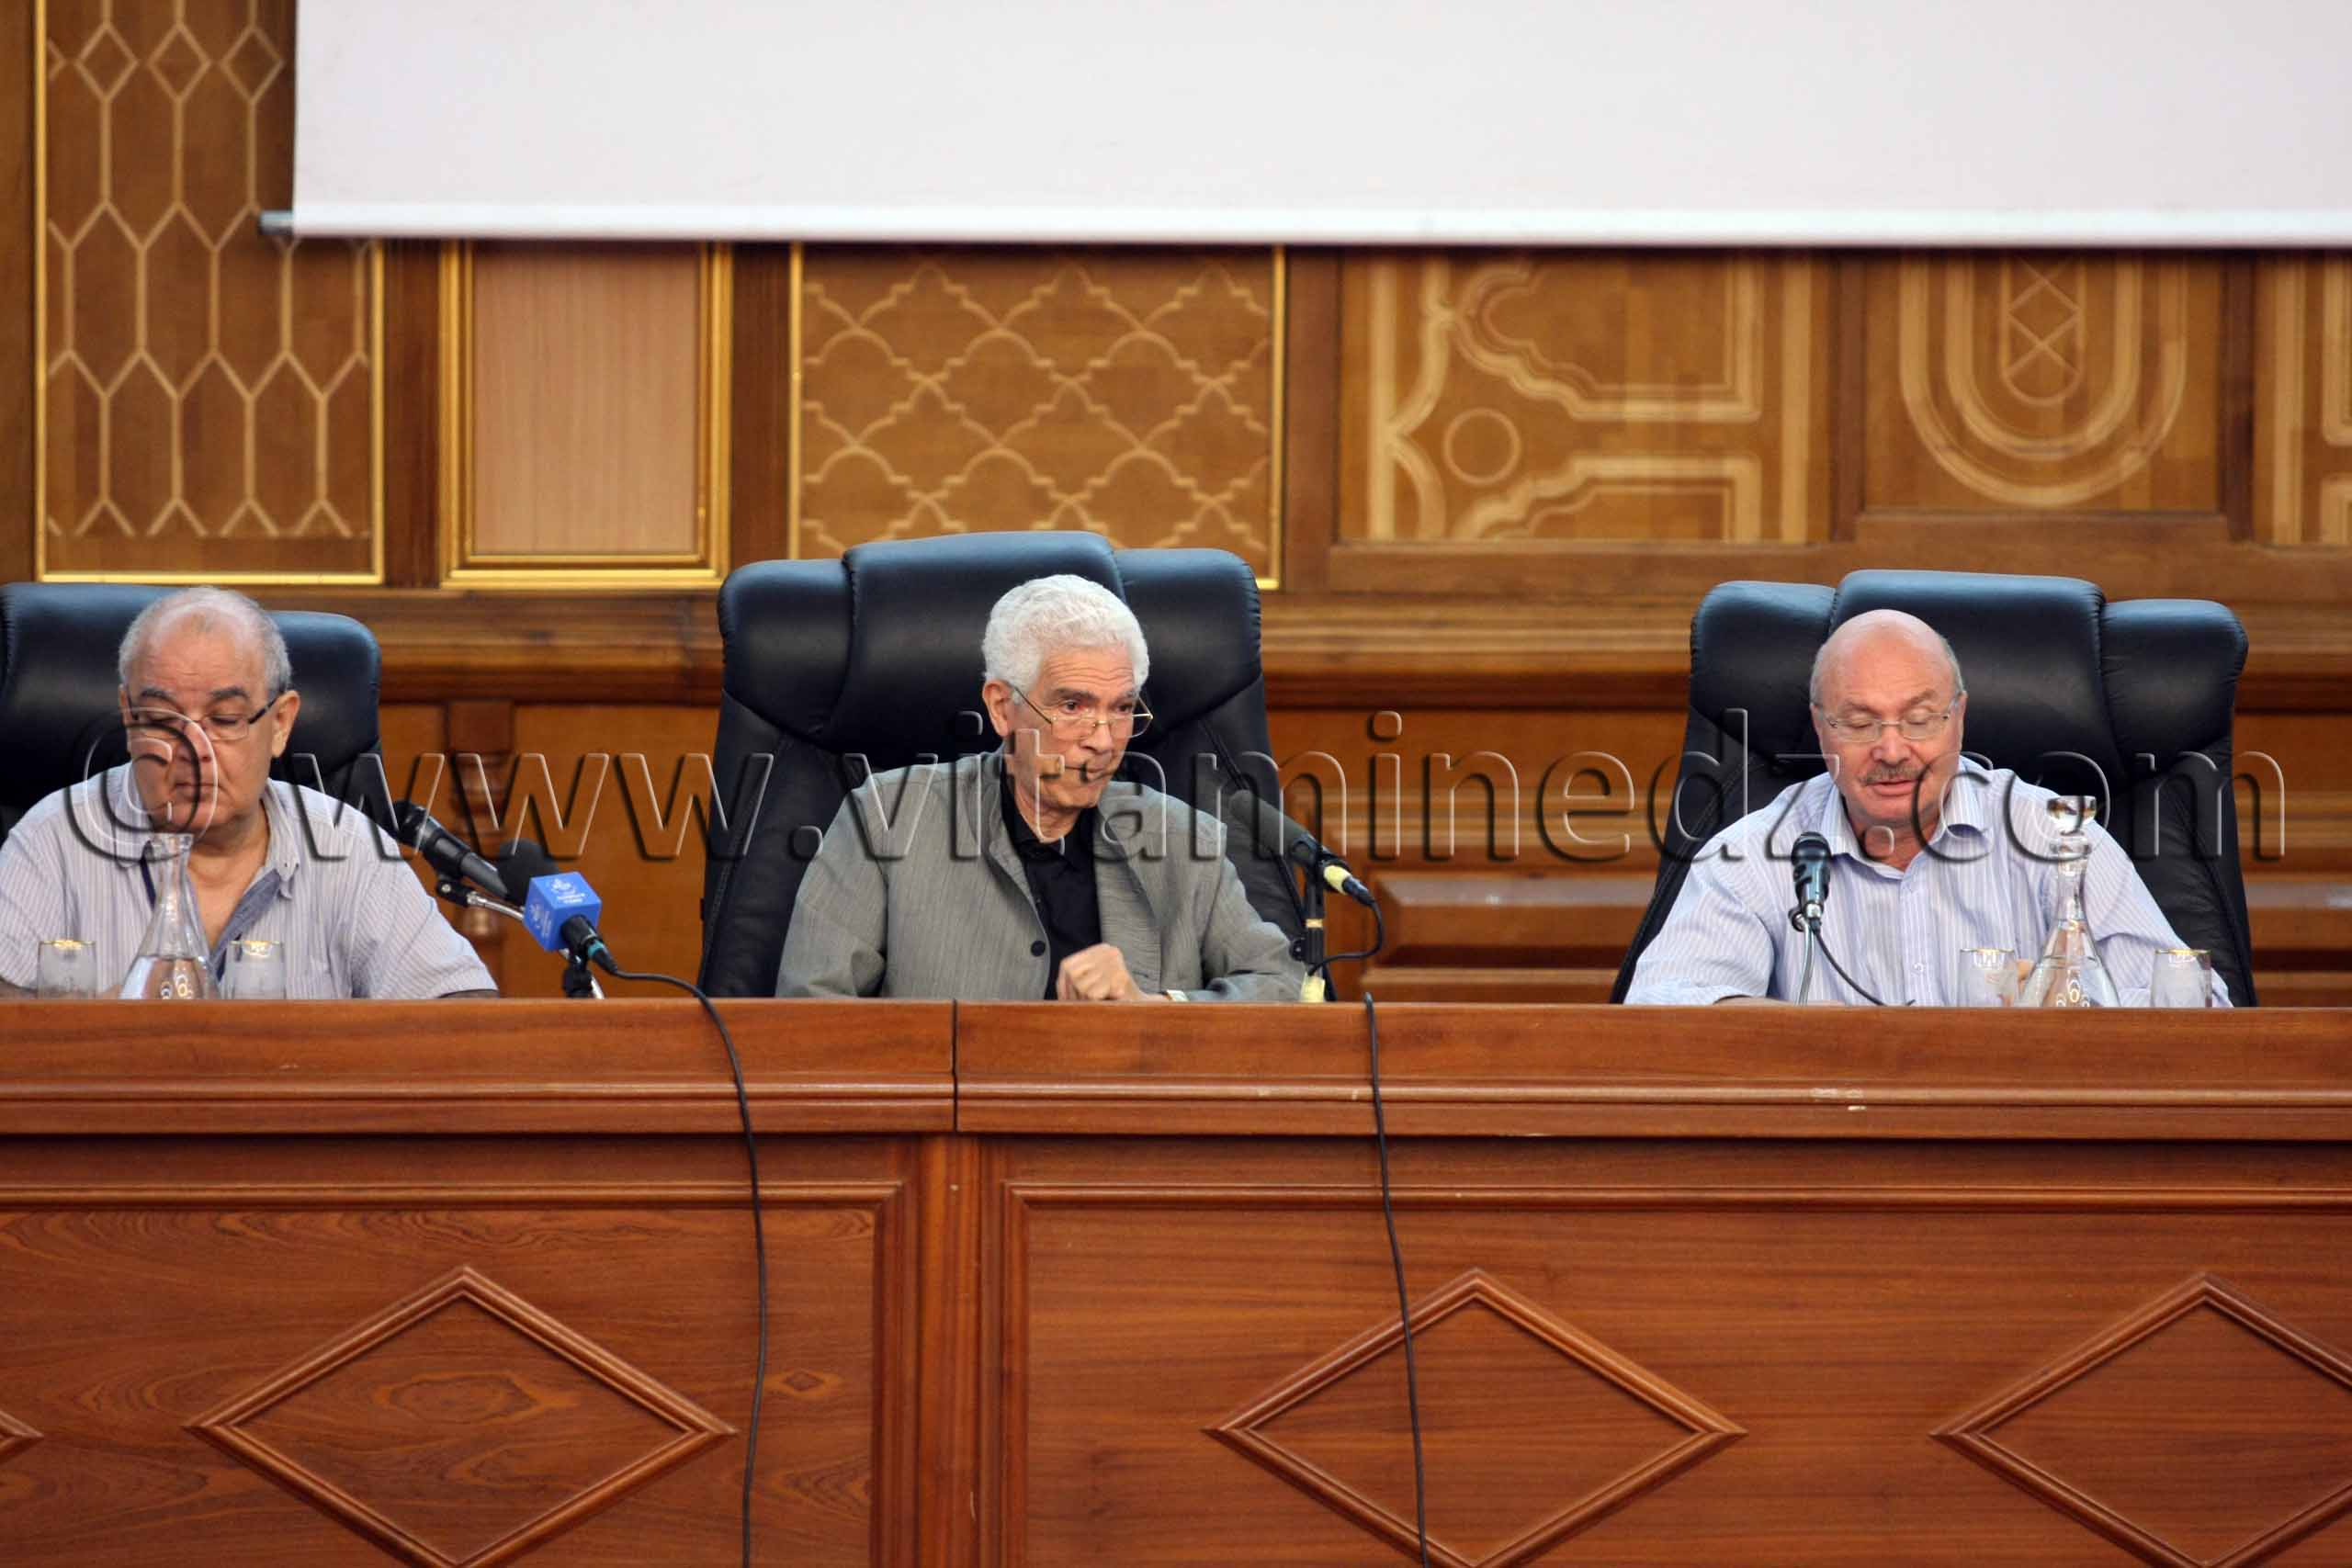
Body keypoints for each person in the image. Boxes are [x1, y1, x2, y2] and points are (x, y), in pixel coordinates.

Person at [1625, 608, 2231, 1006]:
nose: (1892, 750)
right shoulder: (1756, 854)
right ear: (1820, 728)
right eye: (1859, 723)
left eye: (1919, 719)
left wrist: (2063, 999)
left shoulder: (2053, 838)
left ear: (1958, 718)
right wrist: (1811, 1035)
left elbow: (2200, 1010)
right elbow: (1659, 1013)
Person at [776, 574, 1302, 1002]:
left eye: (1121, 708)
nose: (1103, 741)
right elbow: (811, 1013)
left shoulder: (1188, 842)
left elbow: (1279, 987)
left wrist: (1159, 1009)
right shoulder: (886, 819)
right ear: (1003, 706)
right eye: (1073, 706)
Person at [0, 587, 495, 998]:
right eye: (161, 721)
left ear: (280, 724)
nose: (192, 750)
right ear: (128, 718)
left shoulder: (346, 846)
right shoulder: (55, 840)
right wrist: (102, 1030)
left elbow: (460, 1011)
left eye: (224, 721)